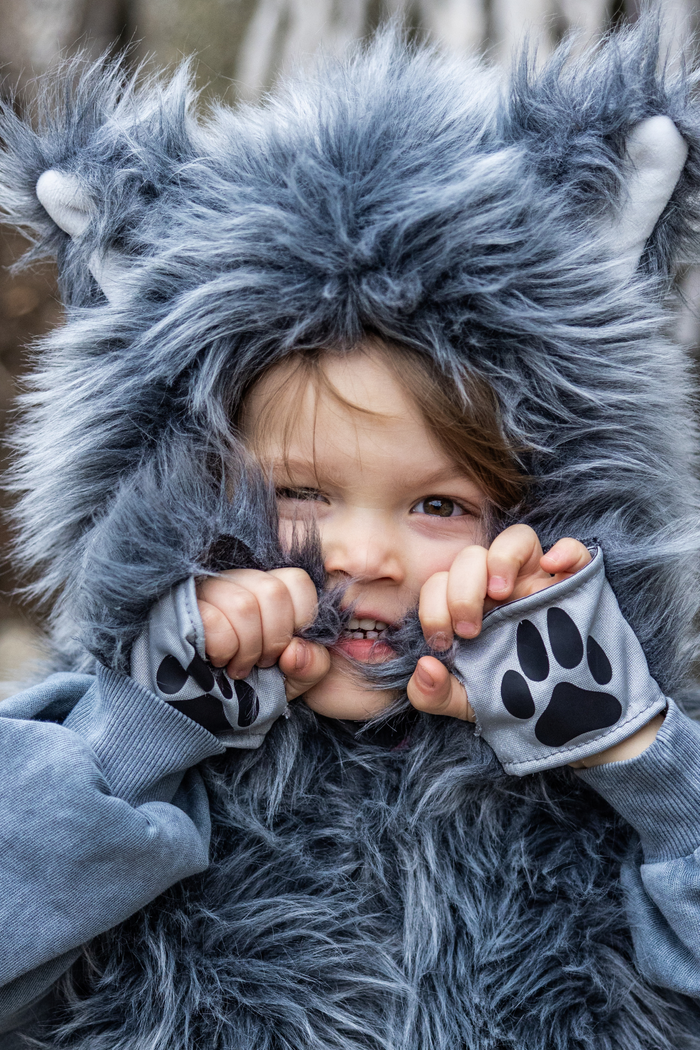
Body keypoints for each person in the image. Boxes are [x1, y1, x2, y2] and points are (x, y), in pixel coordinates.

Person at [1, 13, 700, 1049]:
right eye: (300, 494)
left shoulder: (630, 769)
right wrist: (142, 725)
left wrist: (633, 748)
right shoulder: (87, 745)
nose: (362, 558)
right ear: (178, 495)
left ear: (540, 513)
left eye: (439, 506)